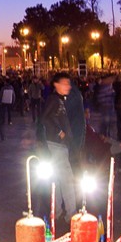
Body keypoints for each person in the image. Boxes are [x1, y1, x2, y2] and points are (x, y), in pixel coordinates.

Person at [40, 73, 78, 217]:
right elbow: (44, 117)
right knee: (67, 178)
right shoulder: (54, 100)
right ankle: (71, 213)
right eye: (65, 83)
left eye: (69, 83)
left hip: (57, 144)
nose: (68, 86)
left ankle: (56, 210)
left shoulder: (60, 100)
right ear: (56, 85)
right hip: (57, 145)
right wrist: (59, 132)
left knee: (56, 178)